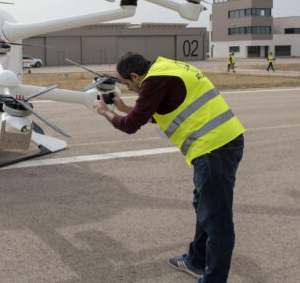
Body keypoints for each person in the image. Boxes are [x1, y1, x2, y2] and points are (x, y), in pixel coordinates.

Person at [92, 53, 245, 283]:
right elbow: (161, 112)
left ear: (135, 75)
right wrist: (123, 106)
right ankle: (196, 261)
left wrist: (105, 112)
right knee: (204, 207)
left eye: (128, 83)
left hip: (214, 149)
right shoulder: (165, 68)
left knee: (217, 221)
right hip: (217, 144)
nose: (131, 88)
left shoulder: (154, 80)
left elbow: (131, 125)